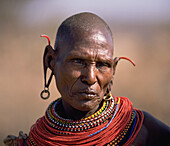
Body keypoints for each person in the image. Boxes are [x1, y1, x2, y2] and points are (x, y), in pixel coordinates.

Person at [4, 12, 170, 146]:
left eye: (102, 65)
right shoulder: (35, 140)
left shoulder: (144, 133)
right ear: (50, 61)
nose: (90, 78)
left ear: (114, 70)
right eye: (78, 61)